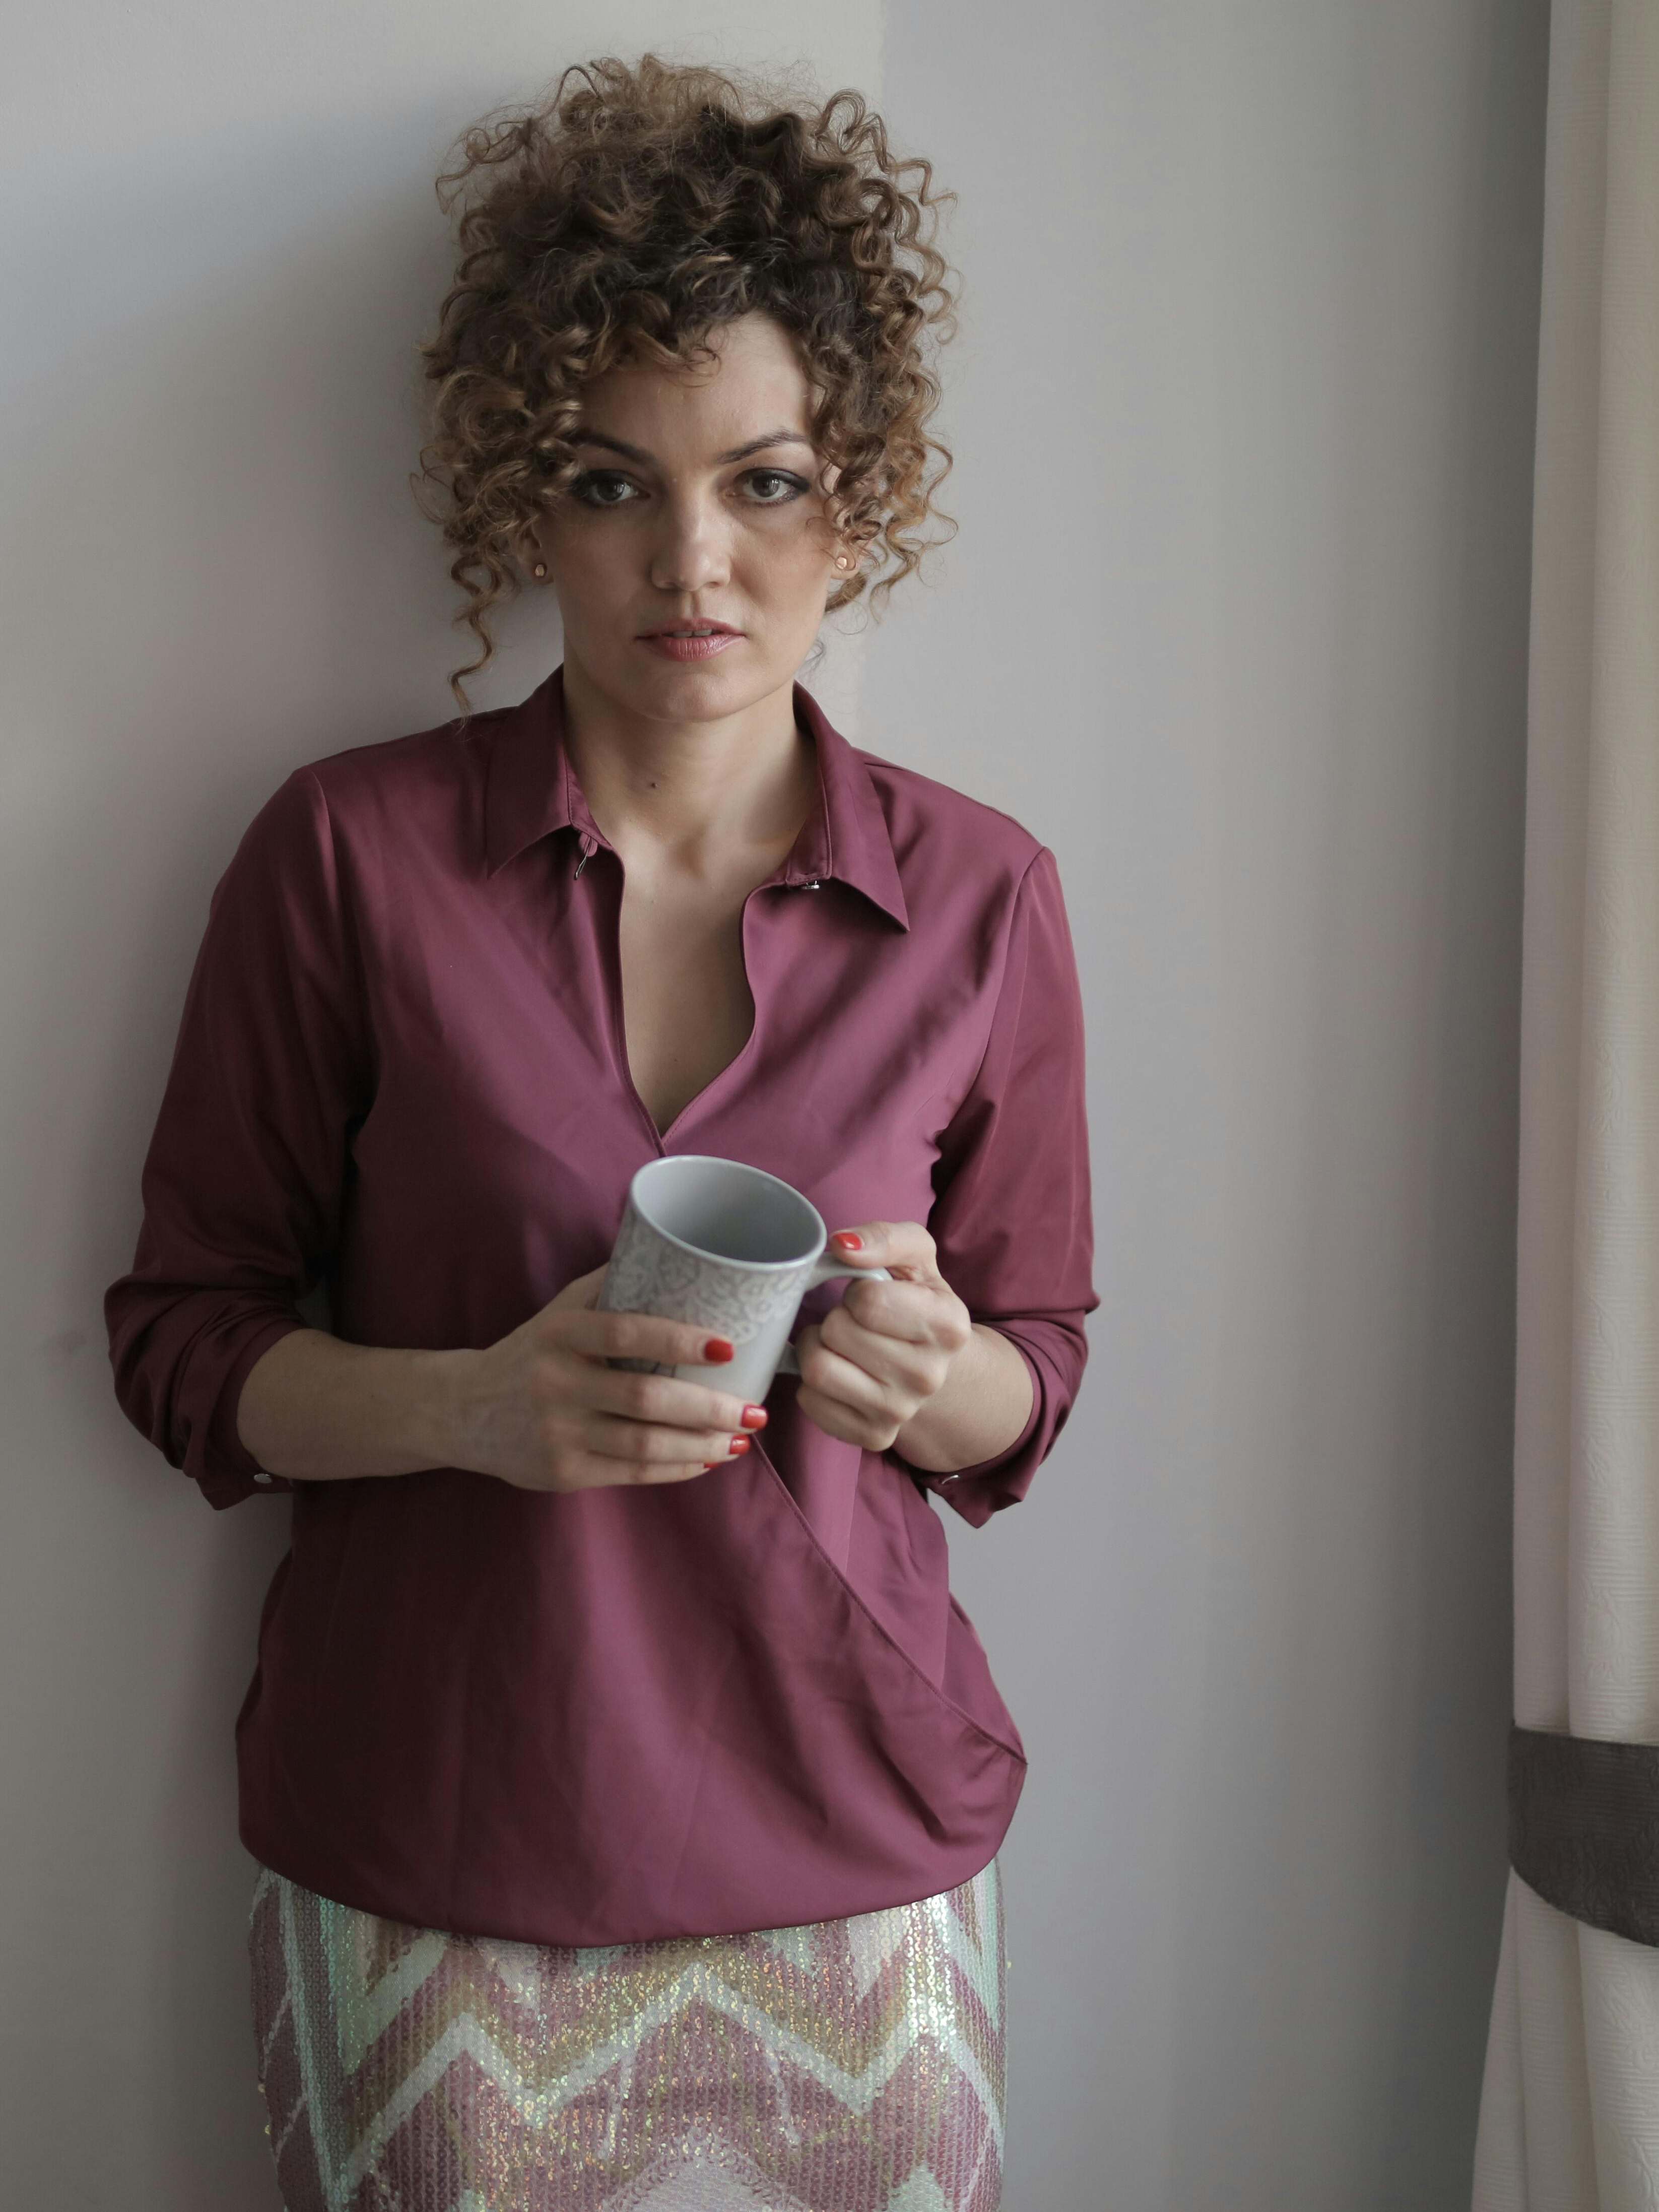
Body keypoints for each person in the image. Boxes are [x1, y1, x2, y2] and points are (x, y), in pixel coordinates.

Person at [103, 50, 1097, 2212]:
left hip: (862, 1865)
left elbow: (1033, 1383)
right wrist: (474, 1403)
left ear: (862, 488)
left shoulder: (984, 897)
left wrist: (937, 1378)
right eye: (611, 482)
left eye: (762, 481)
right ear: (516, 501)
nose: (694, 561)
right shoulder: (345, 860)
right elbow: (182, 1342)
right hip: (443, 1857)